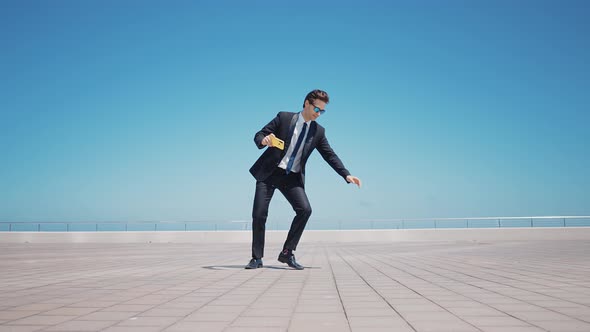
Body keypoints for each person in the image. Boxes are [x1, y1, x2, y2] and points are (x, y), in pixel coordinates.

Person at [246, 89, 362, 270]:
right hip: (269, 173)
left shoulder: (318, 131)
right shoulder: (284, 118)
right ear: (307, 103)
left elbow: (329, 155)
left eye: (322, 111)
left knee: (305, 210)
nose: (319, 114)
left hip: (291, 177)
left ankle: (287, 253)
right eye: (317, 109)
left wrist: (346, 174)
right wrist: (264, 140)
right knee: (259, 214)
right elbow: (259, 134)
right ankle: (256, 258)